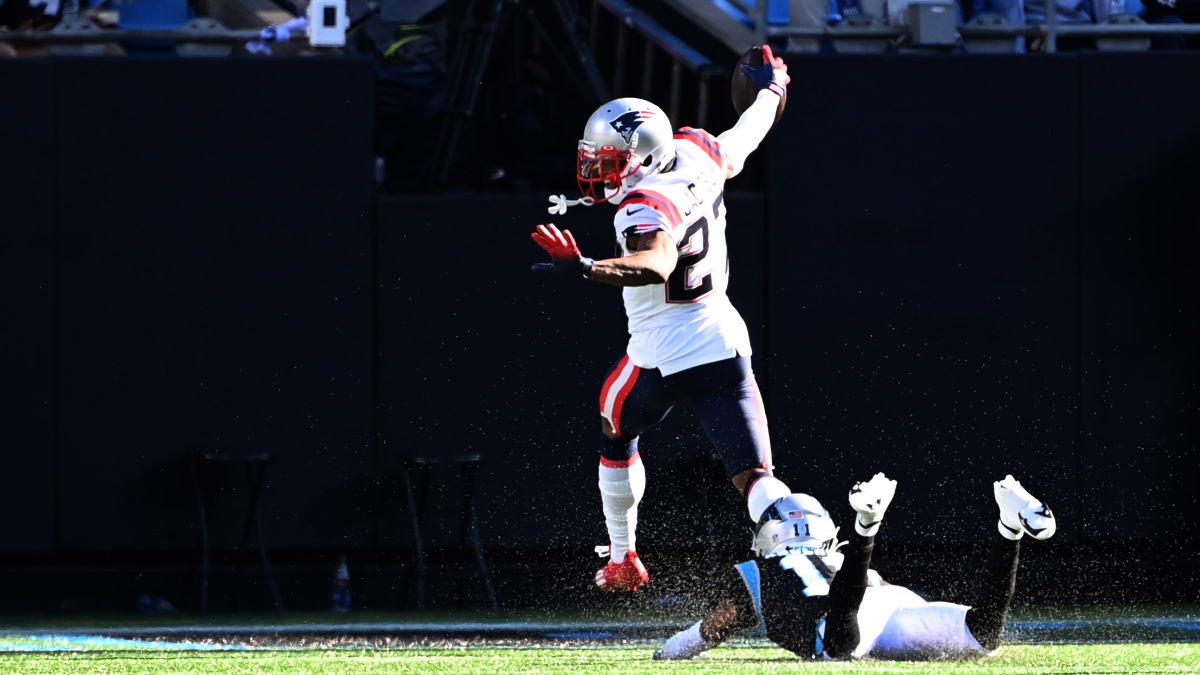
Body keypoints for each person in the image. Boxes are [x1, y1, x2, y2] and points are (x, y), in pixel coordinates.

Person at [528, 45, 793, 592]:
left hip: (656, 352)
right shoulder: (698, 152)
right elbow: (748, 131)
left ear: (643, 158)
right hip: (719, 337)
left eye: (610, 162)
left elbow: (654, 262)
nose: (599, 172)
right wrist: (772, 90)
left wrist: (584, 266)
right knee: (757, 479)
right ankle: (809, 558)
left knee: (613, 426)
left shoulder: (643, 206)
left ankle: (623, 557)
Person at [654, 472, 1057, 660]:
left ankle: (868, 527)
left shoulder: (755, 572)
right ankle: (1009, 529)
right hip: (887, 601)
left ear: (771, 533)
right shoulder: (835, 557)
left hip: (845, 621)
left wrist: (673, 650)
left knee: (839, 643)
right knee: (983, 636)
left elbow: (715, 626)